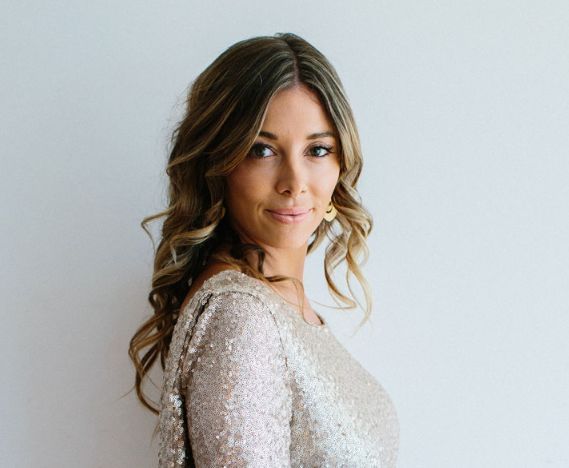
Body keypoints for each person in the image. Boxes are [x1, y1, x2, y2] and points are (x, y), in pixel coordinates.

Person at [129, 32, 400, 467]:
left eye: (317, 149)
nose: (294, 182)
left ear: (340, 161)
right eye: (262, 149)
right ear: (219, 163)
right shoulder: (240, 316)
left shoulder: (276, 307)